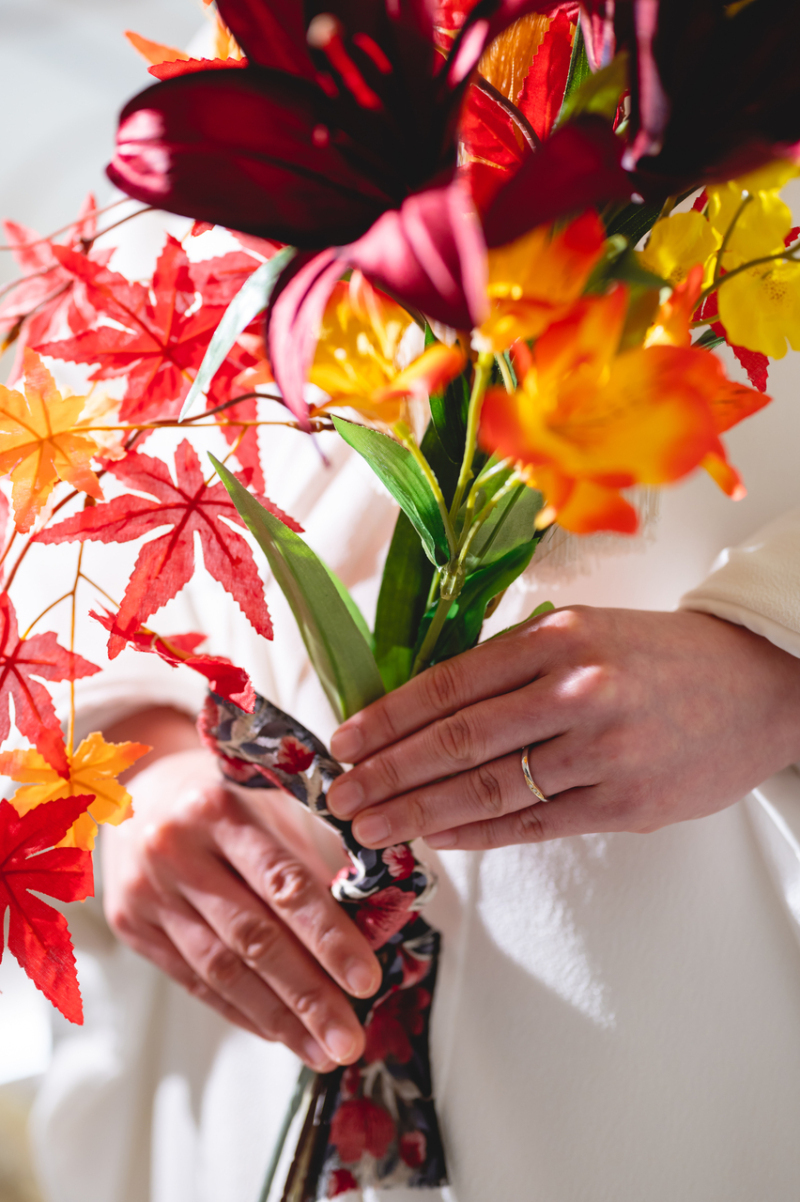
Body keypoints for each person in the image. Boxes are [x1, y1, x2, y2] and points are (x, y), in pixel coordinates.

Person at [29, 295, 800, 1202]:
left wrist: (773, 662)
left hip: (696, 994)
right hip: (242, 1040)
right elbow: (72, 471)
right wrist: (142, 768)